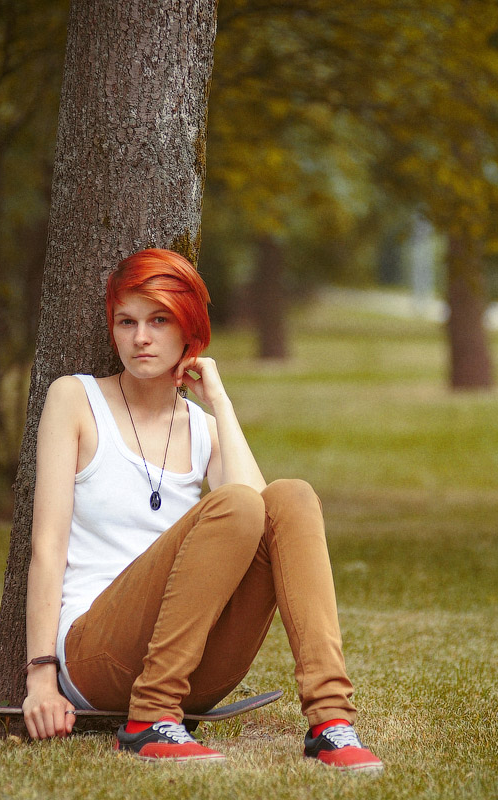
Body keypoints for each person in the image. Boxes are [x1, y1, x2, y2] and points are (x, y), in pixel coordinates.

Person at [20, 248, 382, 772]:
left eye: (159, 320)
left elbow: (271, 526)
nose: (140, 337)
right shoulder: (75, 400)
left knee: (293, 497)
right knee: (236, 504)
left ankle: (331, 722)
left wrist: (220, 404)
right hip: (96, 652)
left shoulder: (202, 428)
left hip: (190, 667)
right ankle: (148, 720)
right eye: (127, 321)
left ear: (187, 328)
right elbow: (47, 549)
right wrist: (40, 679)